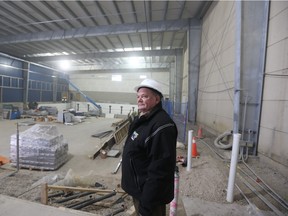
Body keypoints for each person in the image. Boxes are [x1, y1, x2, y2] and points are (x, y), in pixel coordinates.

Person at [121, 79, 178, 216]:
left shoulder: (161, 126)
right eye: (138, 96)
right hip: (140, 190)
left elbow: (160, 171)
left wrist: (146, 205)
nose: (140, 100)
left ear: (157, 99)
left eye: (145, 96)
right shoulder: (144, 119)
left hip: (150, 198)